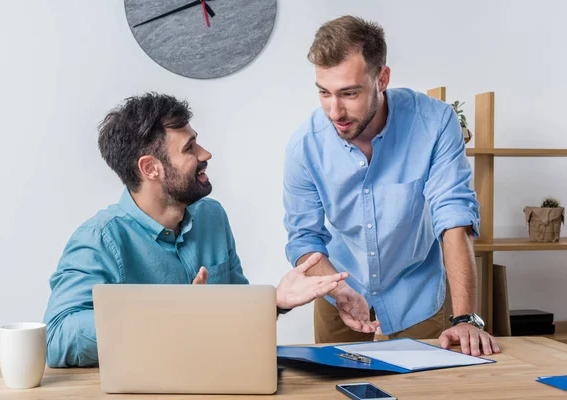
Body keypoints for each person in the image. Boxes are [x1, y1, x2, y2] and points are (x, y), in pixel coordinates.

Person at [43, 93, 348, 368]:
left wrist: (275, 302)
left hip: (215, 378)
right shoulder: (99, 239)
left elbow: (235, 318)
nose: (205, 154)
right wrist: (170, 315)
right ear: (150, 168)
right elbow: (57, 338)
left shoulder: (211, 217)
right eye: (189, 148)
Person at [283, 16, 500, 356]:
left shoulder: (435, 123)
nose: (334, 110)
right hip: (338, 283)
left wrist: (466, 317)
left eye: (349, 93)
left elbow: (454, 218)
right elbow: (304, 239)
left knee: (427, 389)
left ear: (382, 78)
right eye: (324, 93)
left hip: (417, 290)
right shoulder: (304, 146)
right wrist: (339, 291)